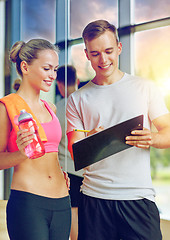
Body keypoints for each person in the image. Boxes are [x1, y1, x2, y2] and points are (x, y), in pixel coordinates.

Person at [66, 20, 170, 240]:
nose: (103, 60)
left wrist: (152, 138)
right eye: (95, 54)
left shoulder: (145, 87)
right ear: (86, 54)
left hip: (138, 197)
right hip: (94, 199)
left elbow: (168, 131)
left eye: (108, 51)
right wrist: (91, 138)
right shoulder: (77, 99)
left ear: (119, 48)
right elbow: (74, 150)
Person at [0, 39, 71, 240]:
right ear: (25, 67)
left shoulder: (51, 109)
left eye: (55, 69)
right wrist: (21, 154)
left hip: (62, 201)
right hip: (29, 203)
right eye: (47, 68)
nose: (53, 76)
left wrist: (58, 172)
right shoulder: (6, 107)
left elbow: (51, 154)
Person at [56, 65, 83, 240]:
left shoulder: (58, 108)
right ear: (78, 81)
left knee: (73, 216)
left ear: (58, 84)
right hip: (88, 171)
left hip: (68, 172)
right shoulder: (87, 103)